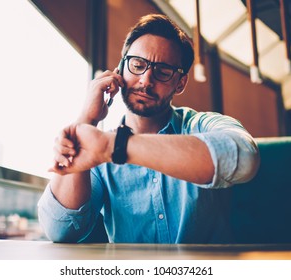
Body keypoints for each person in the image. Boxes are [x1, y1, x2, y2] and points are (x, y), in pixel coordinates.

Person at [38, 14, 260, 243]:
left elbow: (244, 158)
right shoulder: (97, 149)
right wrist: (85, 120)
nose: (146, 79)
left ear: (180, 83)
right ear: (121, 68)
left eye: (163, 71)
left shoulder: (202, 125)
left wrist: (116, 146)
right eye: (137, 65)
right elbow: (61, 230)